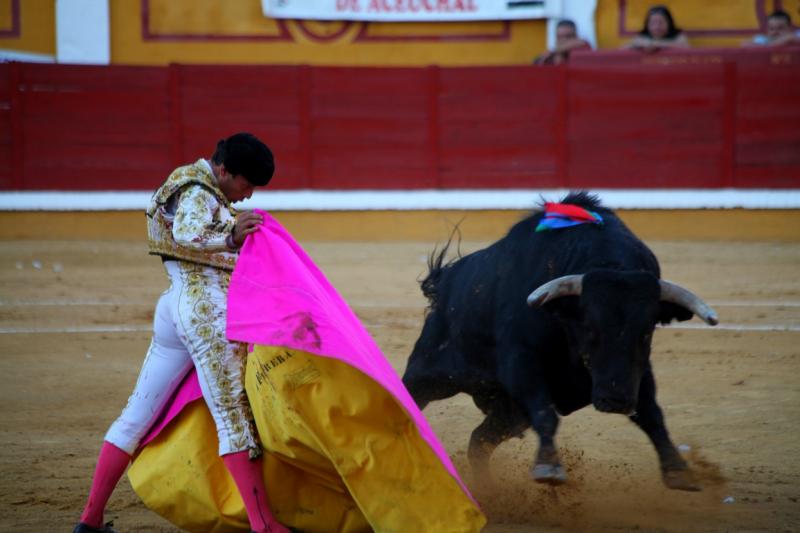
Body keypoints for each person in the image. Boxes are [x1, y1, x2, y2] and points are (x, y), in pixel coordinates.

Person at [73, 133, 291, 533]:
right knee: (233, 417)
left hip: (175, 306)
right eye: (247, 184)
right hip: (206, 310)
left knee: (135, 416)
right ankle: (265, 526)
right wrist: (231, 236)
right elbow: (189, 234)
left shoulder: (190, 182)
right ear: (224, 170)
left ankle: (89, 520)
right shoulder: (196, 190)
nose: (248, 195)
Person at [623, 5, 690, 52]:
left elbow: (686, 48)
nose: (657, 27)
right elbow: (622, 50)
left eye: (660, 22)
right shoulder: (641, 38)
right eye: (653, 23)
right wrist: (638, 45)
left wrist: (656, 45)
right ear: (647, 25)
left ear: (669, 23)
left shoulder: (679, 36)